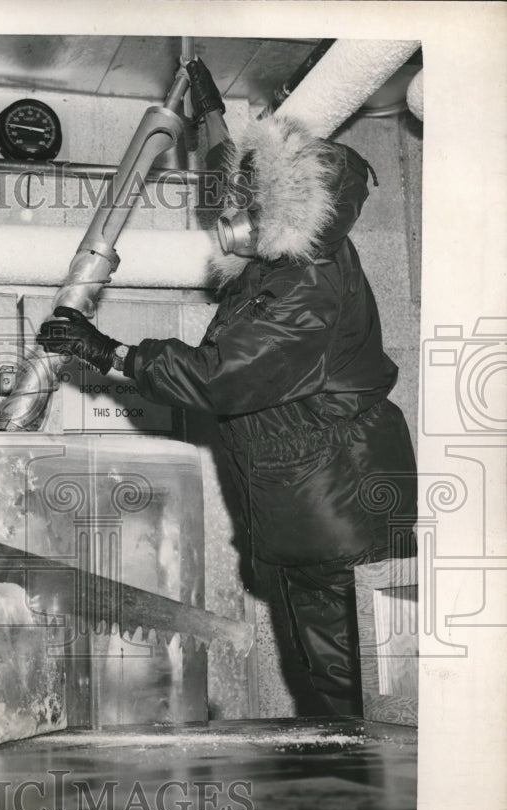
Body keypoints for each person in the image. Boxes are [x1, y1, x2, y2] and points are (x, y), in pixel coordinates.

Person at [37, 114, 417, 717]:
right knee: (324, 668)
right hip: (311, 492)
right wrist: (213, 114)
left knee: (345, 675)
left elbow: (222, 374)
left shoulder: (306, 283)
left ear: (285, 206)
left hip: (334, 499)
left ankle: (366, 794)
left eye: (248, 196)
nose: (233, 209)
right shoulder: (283, 266)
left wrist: (110, 353)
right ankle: (346, 781)